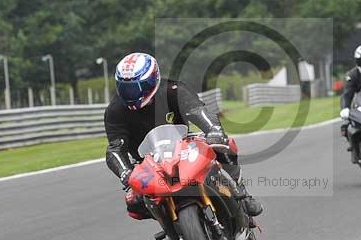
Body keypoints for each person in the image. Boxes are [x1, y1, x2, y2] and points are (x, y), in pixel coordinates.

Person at [104, 52, 263, 219]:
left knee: (224, 146)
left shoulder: (173, 90)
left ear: (152, 79)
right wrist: (125, 172)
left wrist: (213, 130)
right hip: (147, 162)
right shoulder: (115, 111)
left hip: (184, 145)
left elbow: (198, 111)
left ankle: (241, 193)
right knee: (134, 203)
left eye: (136, 86)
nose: (131, 94)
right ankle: (171, 226)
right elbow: (115, 148)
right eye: (125, 87)